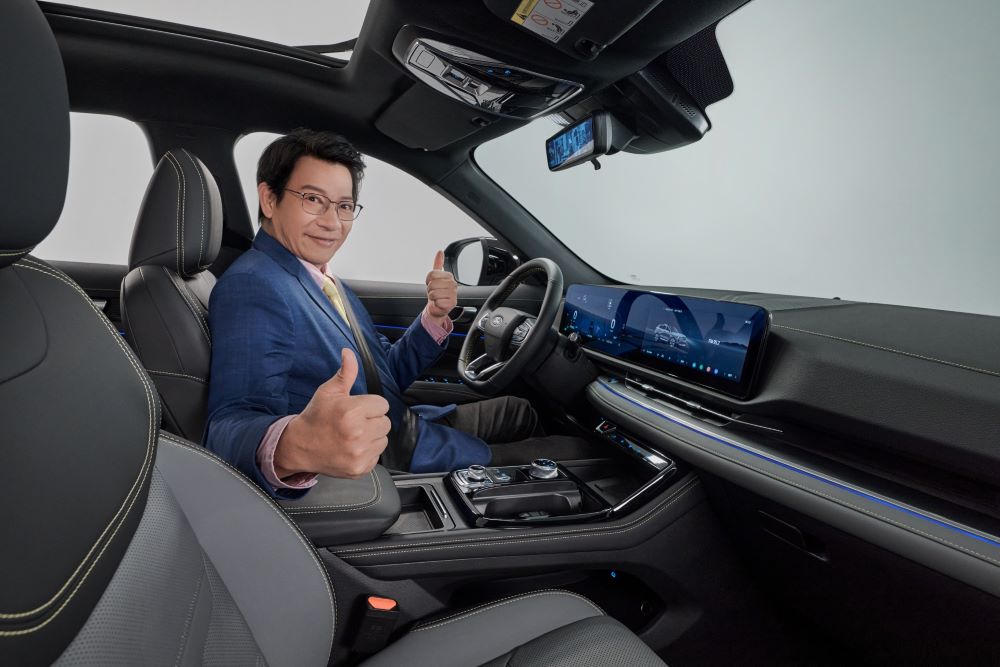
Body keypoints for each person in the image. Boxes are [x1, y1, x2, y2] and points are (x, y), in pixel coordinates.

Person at [205, 129, 546, 498]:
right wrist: (297, 445)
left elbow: (383, 373)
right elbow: (229, 423)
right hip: (391, 457)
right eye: (313, 199)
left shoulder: (323, 279)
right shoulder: (254, 285)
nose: (332, 222)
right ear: (269, 199)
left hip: (404, 425)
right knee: (575, 453)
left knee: (520, 411)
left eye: (344, 206)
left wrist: (433, 317)